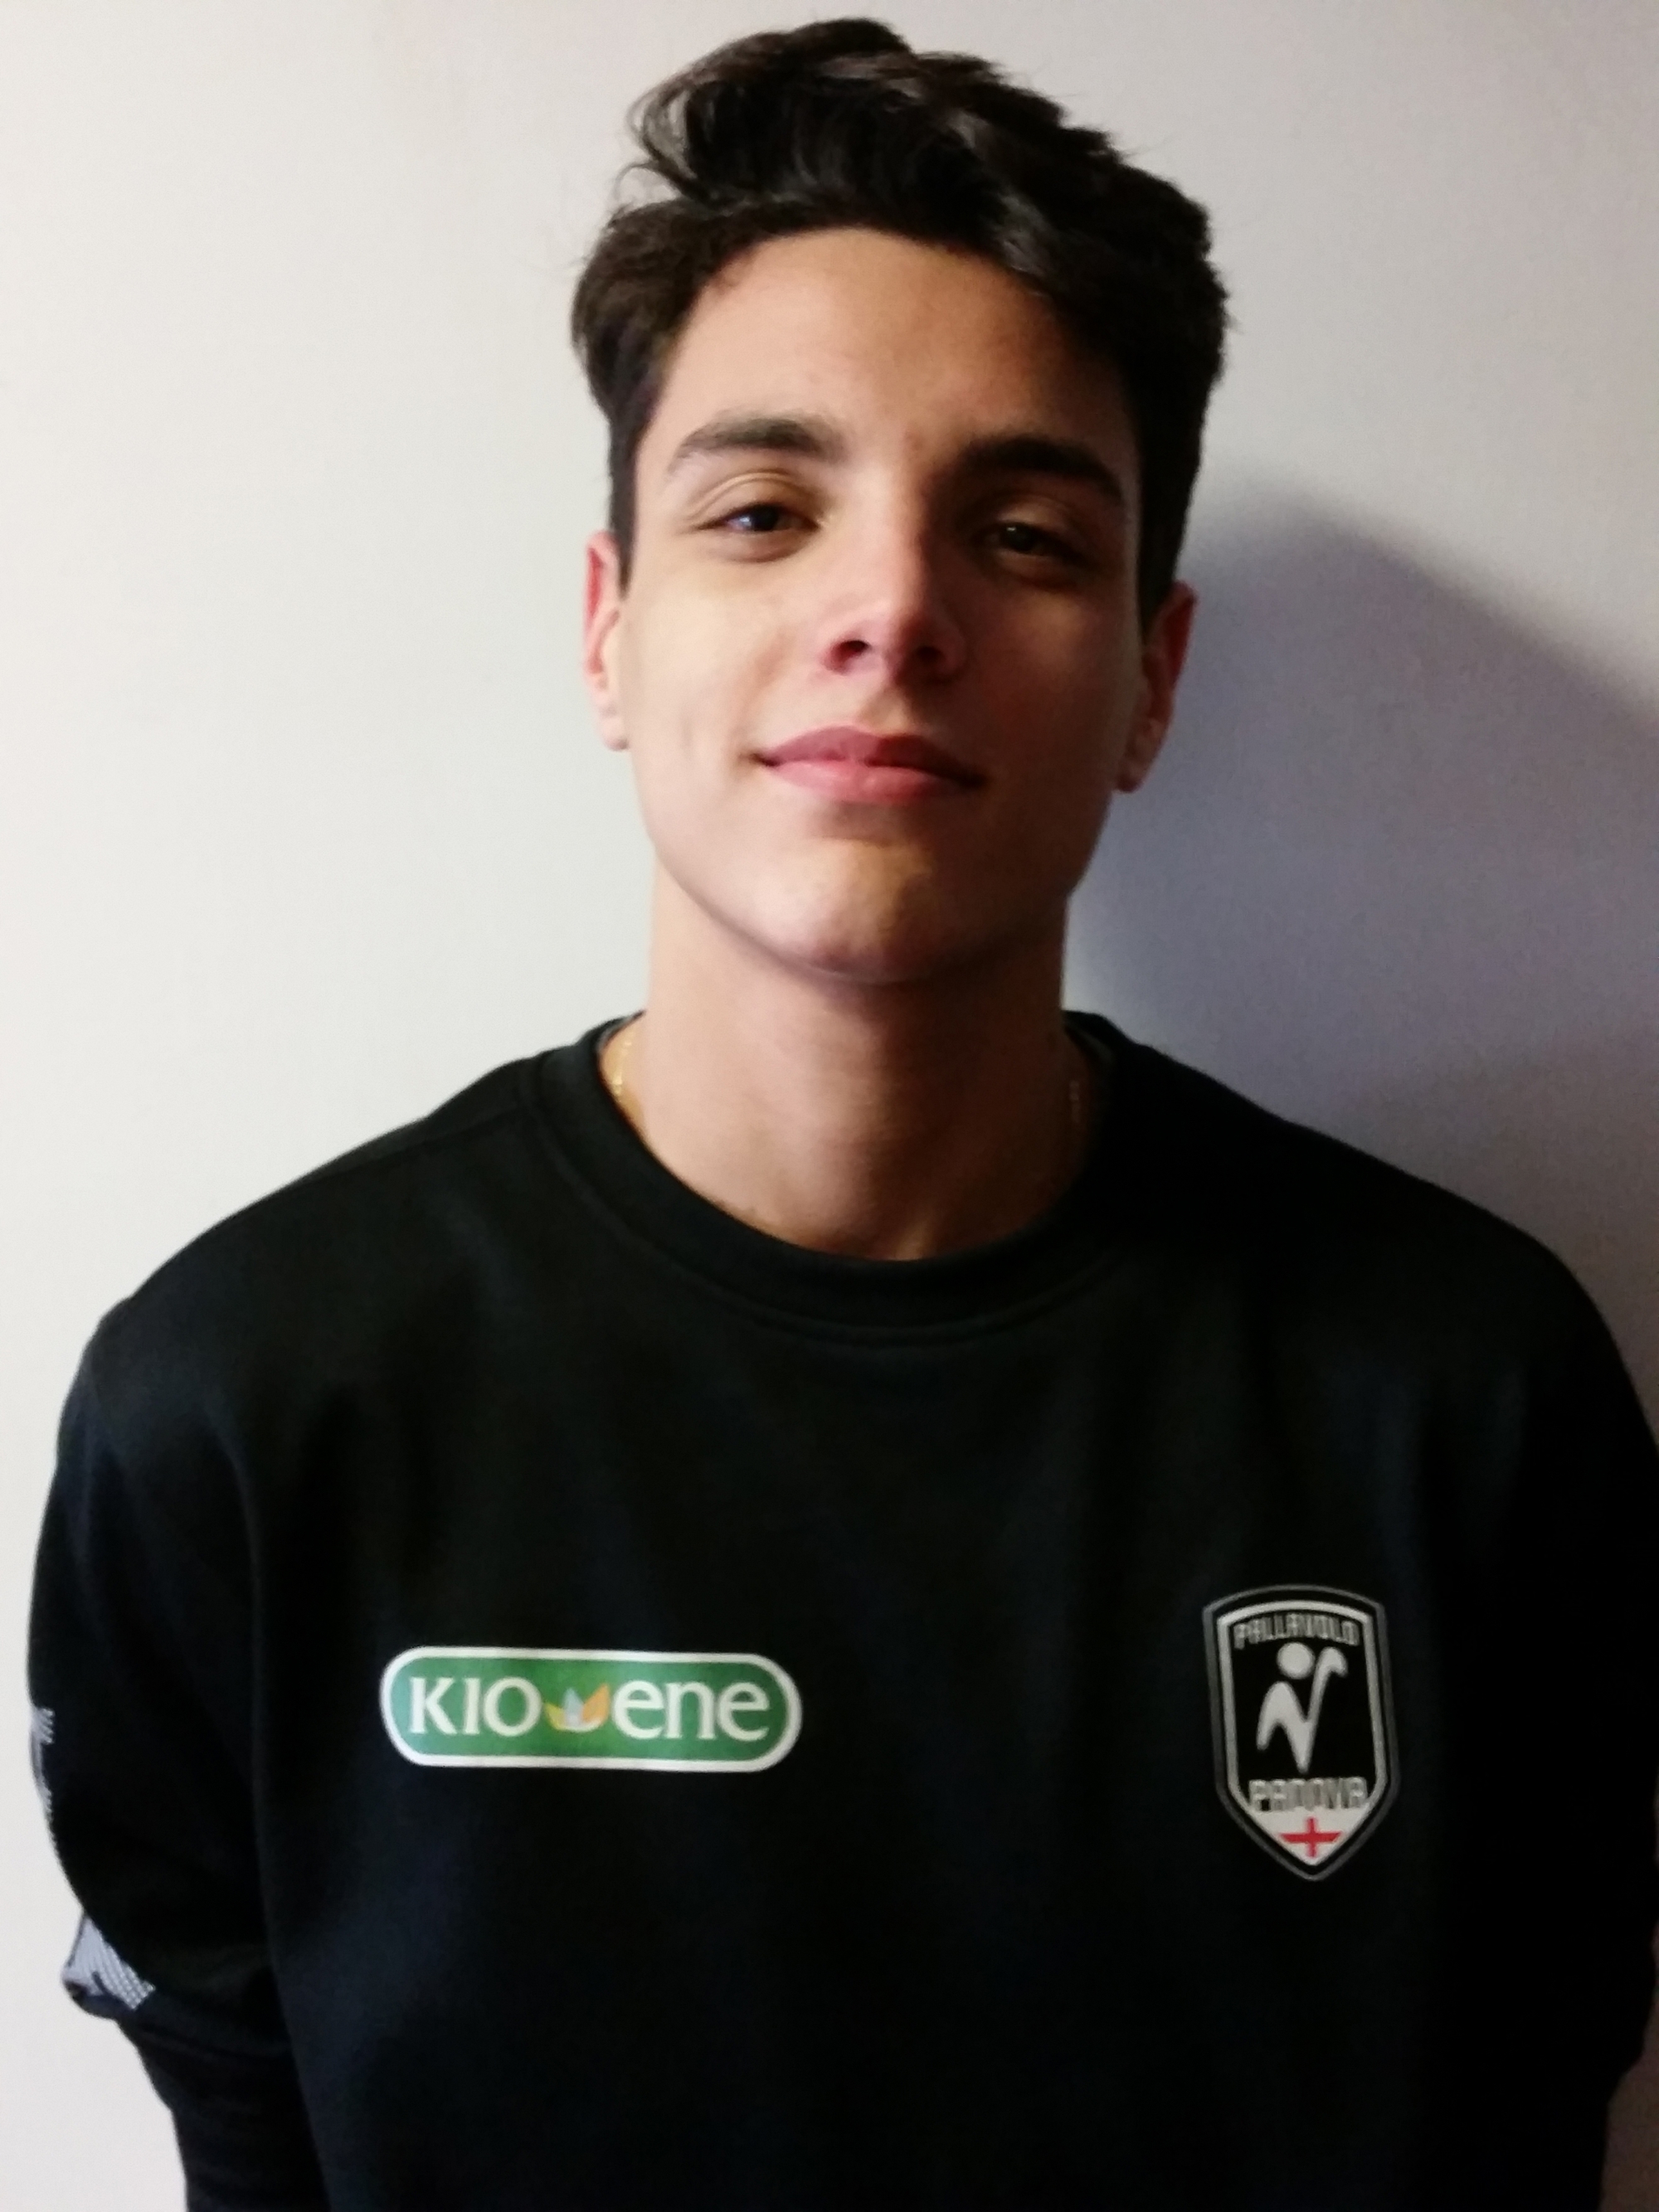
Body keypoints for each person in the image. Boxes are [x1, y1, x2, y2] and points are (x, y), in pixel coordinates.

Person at [27, 19, 1659, 2210]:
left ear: (1154, 676)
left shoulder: (1462, 1398)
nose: (891, 612)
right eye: (764, 515)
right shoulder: (244, 1407)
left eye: (1024, 534)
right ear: (609, 631)